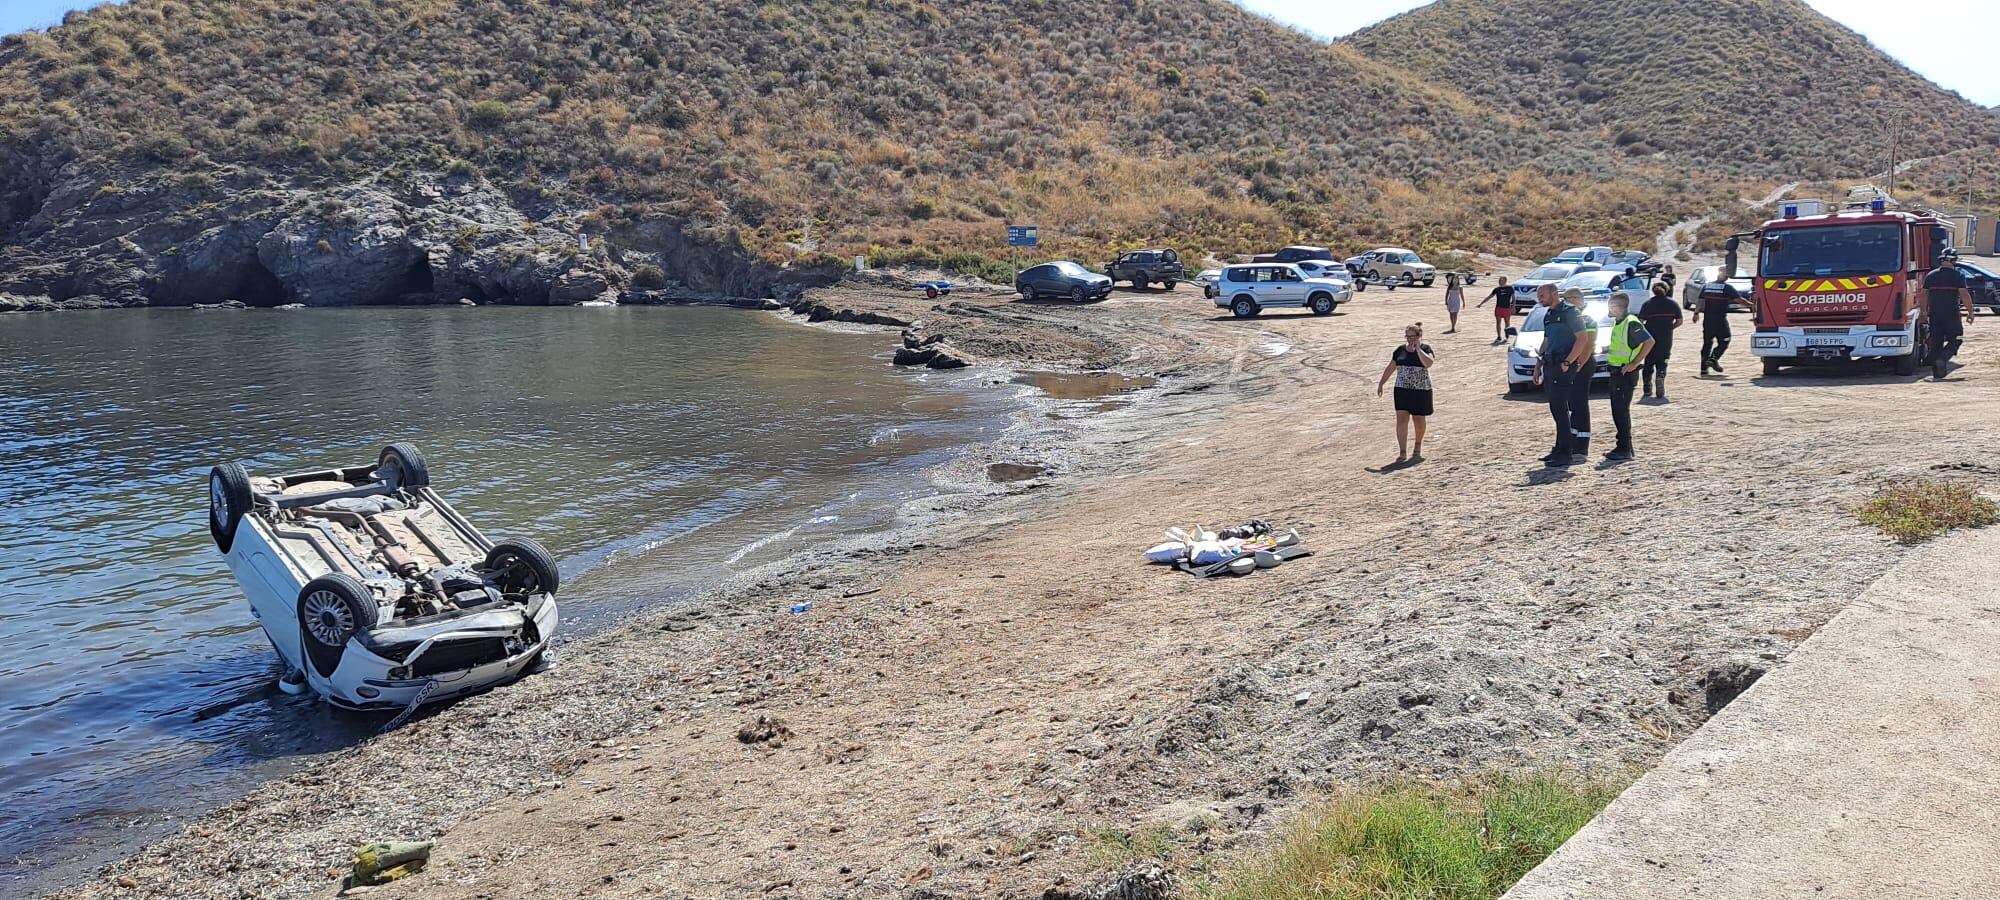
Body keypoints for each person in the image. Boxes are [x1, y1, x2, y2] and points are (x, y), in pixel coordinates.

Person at [1532, 284, 1592, 467]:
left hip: (1563, 365)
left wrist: (1569, 362)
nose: (1539, 298)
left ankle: (1566, 452)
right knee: (1556, 409)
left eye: (1542, 295)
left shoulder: (1570, 311)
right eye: (1538, 295)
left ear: (1554, 293)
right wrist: (1538, 365)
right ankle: (1559, 448)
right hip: (1550, 364)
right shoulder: (1548, 315)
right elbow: (1547, 341)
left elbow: (1582, 338)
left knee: (1561, 409)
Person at [1603, 295, 1655, 462]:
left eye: (1610, 306)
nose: (1608, 309)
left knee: (1621, 411)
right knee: (1618, 411)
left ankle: (1624, 448)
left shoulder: (1631, 322)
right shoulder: (1619, 322)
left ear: (1618, 307)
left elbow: (1649, 342)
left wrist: (1634, 363)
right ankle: (1624, 447)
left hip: (1625, 374)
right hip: (1617, 373)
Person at [1377, 322, 1435, 462]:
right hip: (1402, 390)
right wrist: (1381, 383)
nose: (1409, 339)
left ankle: (1417, 447)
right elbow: (1391, 367)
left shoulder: (1426, 349)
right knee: (1401, 419)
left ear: (1419, 336)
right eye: (1407, 336)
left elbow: (1428, 363)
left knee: (1418, 419)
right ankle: (1402, 451)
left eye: (1412, 336)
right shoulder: (1399, 350)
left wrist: (1418, 349)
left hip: (1421, 391)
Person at [1922, 249, 1976, 380]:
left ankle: (1937, 373)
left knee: (1936, 343)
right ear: (1952, 260)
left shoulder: (1930, 276)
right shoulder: (1958, 276)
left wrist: (1923, 312)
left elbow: (1924, 295)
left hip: (1934, 314)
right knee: (1956, 338)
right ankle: (1943, 358)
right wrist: (1970, 312)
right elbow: (1964, 294)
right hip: (1951, 314)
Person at [1637, 280, 1682, 399]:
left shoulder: (1647, 304)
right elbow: (1679, 321)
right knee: (1663, 360)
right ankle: (1660, 376)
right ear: (1666, 289)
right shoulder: (1672, 304)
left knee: (1648, 361)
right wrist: (1670, 327)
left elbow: (1640, 322)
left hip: (1650, 337)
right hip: (1666, 337)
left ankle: (1647, 386)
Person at [1692, 277, 1735, 374]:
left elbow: (1700, 300)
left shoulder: (1707, 286)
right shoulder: (1727, 287)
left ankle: (1704, 368)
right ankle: (1713, 359)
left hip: (1708, 320)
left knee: (1707, 343)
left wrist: (1696, 313)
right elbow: (1738, 299)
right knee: (1725, 339)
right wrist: (1751, 305)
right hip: (1720, 320)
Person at [1476, 276, 1513, 343]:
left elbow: (1514, 298)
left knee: (1507, 323)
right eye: (1499, 280)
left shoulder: (1510, 288)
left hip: (1507, 308)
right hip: (1498, 308)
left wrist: (1513, 307)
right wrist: (1481, 303)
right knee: (1498, 322)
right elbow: (1489, 297)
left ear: (1505, 281)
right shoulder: (1497, 289)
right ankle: (1499, 336)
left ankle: (1507, 336)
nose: (1499, 281)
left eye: (1501, 280)